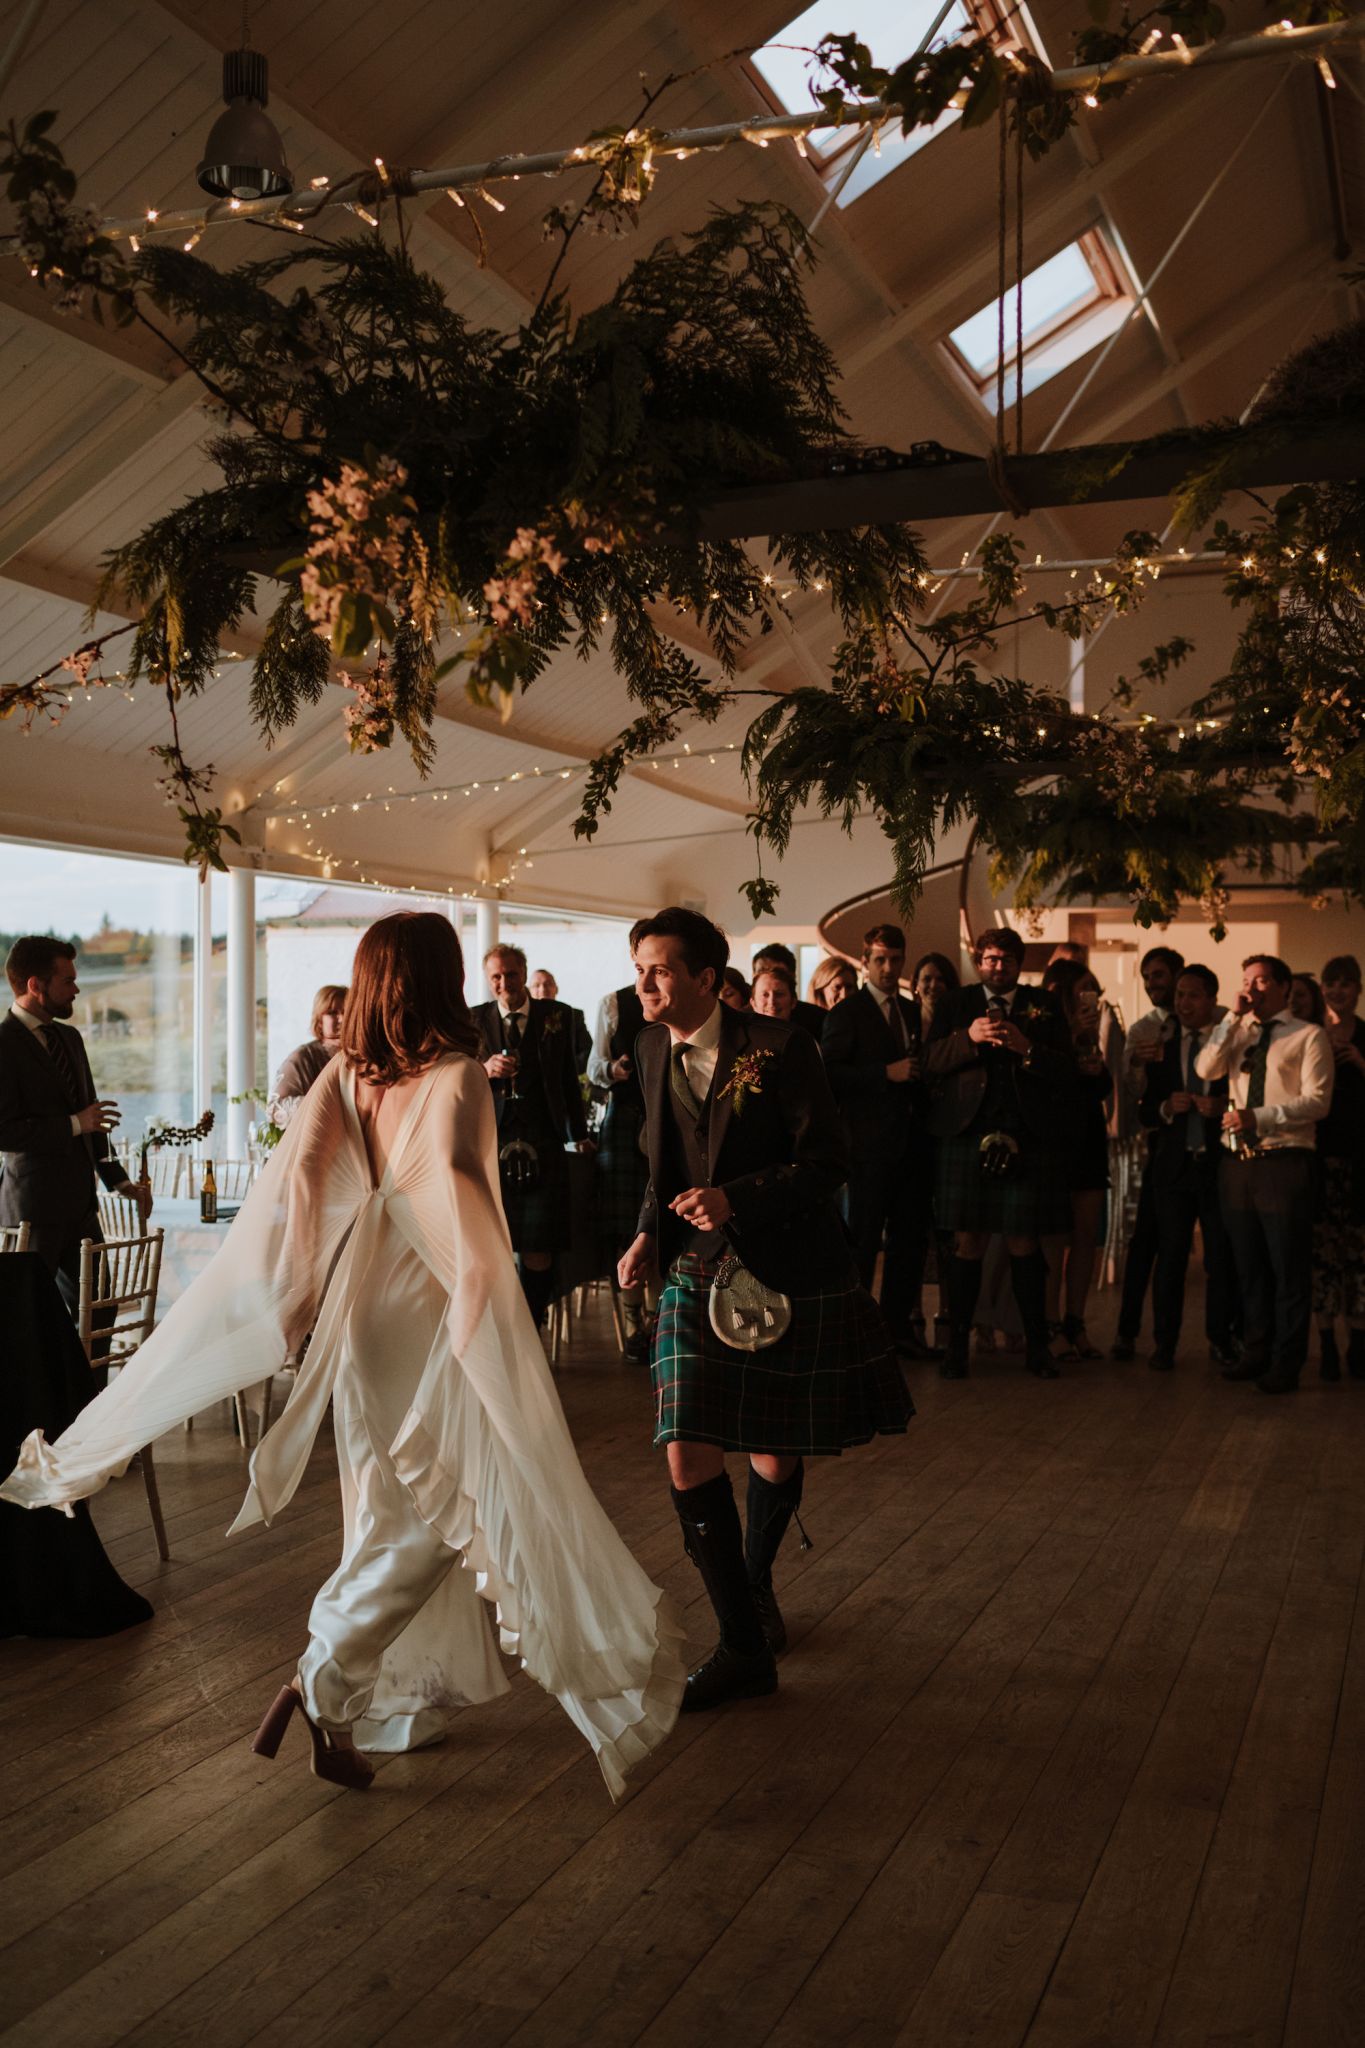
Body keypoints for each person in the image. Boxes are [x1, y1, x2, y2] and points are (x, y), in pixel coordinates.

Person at [1, 913, 684, 1796]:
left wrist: (297, 1311)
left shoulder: (343, 1079)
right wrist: (489, 1312)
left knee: (389, 1501)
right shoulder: (458, 1077)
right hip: (438, 1314)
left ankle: (406, 1699)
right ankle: (322, 1680)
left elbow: (299, 1200)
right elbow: (464, 1191)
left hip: (364, 1322)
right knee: (450, 1510)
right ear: (440, 979)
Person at [618, 907, 911, 1712]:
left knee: (774, 1454)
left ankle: (753, 1583)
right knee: (685, 1450)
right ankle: (742, 1642)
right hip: (692, 1269)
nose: (644, 982)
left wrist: (734, 1198)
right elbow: (659, 1158)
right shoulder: (647, 1046)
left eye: (660, 970)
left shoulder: (782, 1049)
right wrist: (649, 1233)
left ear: (707, 980)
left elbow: (828, 1163)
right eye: (639, 966)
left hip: (787, 1268)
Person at [925, 928, 1072, 1381]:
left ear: (1019, 963)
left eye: (1006, 960)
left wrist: (1028, 1050)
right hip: (967, 1136)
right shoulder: (955, 1004)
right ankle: (957, 1350)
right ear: (978, 960)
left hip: (1025, 1137)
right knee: (969, 1240)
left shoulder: (1042, 1005)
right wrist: (968, 1038)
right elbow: (927, 1062)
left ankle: (1036, 1347)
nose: (997, 967)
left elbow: (1066, 1070)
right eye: (990, 959)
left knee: (1024, 1242)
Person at [1197, 953, 1334, 1395]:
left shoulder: (1308, 1035)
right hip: (1237, 1164)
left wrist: (1261, 1115)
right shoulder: (1240, 1033)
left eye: (1258, 982)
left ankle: (1286, 1362)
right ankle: (1255, 1350)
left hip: (1285, 1160)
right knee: (1248, 1267)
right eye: (1245, 981)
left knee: (1287, 1268)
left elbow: (1317, 1101)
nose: (1250, 989)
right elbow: (1205, 1069)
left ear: (1280, 987)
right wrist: (1230, 1021)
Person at [0, 937, 152, 1323]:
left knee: (101, 1311)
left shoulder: (71, 1038)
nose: (76, 988)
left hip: (82, 1208)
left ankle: (97, 1388)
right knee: (26, 1318)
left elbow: (93, 1119)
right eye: (67, 980)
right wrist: (73, 1124)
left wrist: (119, 1182)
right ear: (36, 985)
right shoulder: (3, 1044)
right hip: (31, 1211)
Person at [822, 922, 939, 1359]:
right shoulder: (847, 1012)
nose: (889, 968)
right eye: (880, 960)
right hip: (867, 1150)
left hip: (911, 1146)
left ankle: (895, 1333)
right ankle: (853, 1337)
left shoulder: (910, 1010)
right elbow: (829, 1075)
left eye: (895, 959)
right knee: (864, 1244)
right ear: (865, 961)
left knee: (909, 1243)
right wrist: (882, 1074)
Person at [470, 944, 595, 1329]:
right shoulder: (473, 1019)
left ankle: (529, 1325)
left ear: (524, 974)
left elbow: (569, 1082)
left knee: (540, 1243)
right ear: (489, 980)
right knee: (492, 1243)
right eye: (496, 976)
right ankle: (499, 1326)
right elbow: (454, 1076)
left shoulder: (559, 1016)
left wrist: (579, 1134)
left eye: (510, 973)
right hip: (491, 1140)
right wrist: (484, 1068)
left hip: (544, 1137)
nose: (504, 982)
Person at [1141, 964, 1237, 1371]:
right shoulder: (1161, 1045)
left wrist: (1222, 1108)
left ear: (1212, 999)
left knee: (1220, 1257)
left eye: (1193, 995)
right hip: (1174, 1166)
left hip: (1216, 1165)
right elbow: (1144, 1106)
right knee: (1171, 1258)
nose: (1183, 1002)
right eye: (1179, 995)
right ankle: (1165, 1343)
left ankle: (1221, 1339)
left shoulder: (1227, 1042)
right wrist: (1165, 1107)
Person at [1112, 944, 1187, 1360]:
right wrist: (1138, 1065)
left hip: (1200, 1142)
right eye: (1147, 977)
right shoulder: (1141, 1029)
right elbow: (1131, 1092)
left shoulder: (1207, 1022)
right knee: (1145, 1243)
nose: (1152, 983)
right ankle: (1127, 1331)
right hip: (1159, 1142)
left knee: (1179, 1247)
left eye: (1159, 975)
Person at [1039, 960, 1113, 1362]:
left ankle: (1076, 1321)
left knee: (1086, 1236)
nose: (1092, 997)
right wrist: (1070, 1034)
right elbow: (1043, 1076)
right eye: (1085, 989)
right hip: (1053, 1141)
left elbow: (1100, 1085)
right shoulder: (1045, 1027)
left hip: (1088, 1138)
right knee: (1053, 1238)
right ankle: (1050, 1323)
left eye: (1094, 991)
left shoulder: (1090, 1034)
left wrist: (1094, 1059)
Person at [589, 978, 657, 1364]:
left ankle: (656, 1319)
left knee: (665, 1222)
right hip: (622, 1119)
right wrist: (615, 1068)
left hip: (665, 1117)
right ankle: (634, 1325)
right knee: (624, 1227)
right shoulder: (613, 1003)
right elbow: (594, 1067)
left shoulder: (676, 1000)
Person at [1315, 954, 1365, 1381]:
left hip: (1361, 1160)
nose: (1338, 990)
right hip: (1320, 1159)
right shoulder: (1312, 1036)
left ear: (1359, 990)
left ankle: (1360, 1341)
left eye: (1347, 983)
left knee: (1360, 1253)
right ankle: (1327, 1342)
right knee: (1323, 1253)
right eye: (1331, 983)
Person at [267, 983, 348, 1128]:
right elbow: (274, 1109)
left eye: (346, 1012)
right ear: (319, 1019)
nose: (341, 1019)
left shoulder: (364, 1056)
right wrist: (322, 1104)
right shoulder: (304, 1057)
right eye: (332, 1013)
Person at [752, 943, 825, 1038]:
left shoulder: (817, 1019)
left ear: (793, 976)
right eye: (762, 971)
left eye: (778, 972)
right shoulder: (739, 1021)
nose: (770, 976)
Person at [529, 968, 593, 1074]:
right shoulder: (523, 1018)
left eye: (548, 984)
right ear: (528, 991)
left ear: (556, 989)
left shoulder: (573, 1015)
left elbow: (588, 1052)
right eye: (537, 985)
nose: (543, 989)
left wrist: (563, 1071)